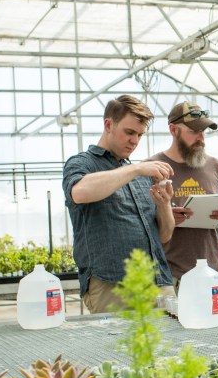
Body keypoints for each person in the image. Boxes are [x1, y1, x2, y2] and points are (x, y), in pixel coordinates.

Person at [62, 95, 175, 313]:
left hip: (158, 281)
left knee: (169, 346)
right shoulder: (82, 163)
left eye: (140, 135)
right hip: (112, 285)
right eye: (129, 132)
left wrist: (164, 205)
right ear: (108, 125)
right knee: (117, 347)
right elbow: (80, 192)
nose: (135, 141)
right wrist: (136, 169)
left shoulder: (142, 177)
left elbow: (163, 236)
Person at [146, 103, 218, 285]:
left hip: (214, 272)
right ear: (173, 130)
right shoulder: (152, 167)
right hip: (170, 276)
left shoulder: (214, 166)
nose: (200, 138)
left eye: (203, 131)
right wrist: (165, 217)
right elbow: (140, 225)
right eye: (193, 131)